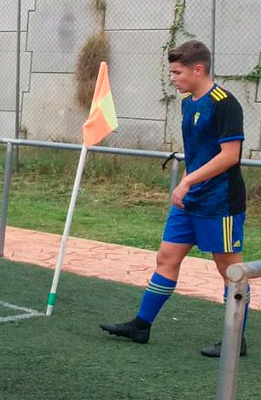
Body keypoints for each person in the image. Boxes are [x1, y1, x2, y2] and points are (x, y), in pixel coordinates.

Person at [100, 41, 249, 357]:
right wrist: (185, 184)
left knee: (230, 272)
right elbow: (197, 154)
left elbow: (230, 156)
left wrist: (189, 181)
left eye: (177, 71)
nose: (172, 77)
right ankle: (142, 325)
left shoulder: (224, 104)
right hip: (191, 200)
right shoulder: (188, 102)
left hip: (220, 203)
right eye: (171, 71)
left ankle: (236, 339)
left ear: (199, 69)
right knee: (166, 257)